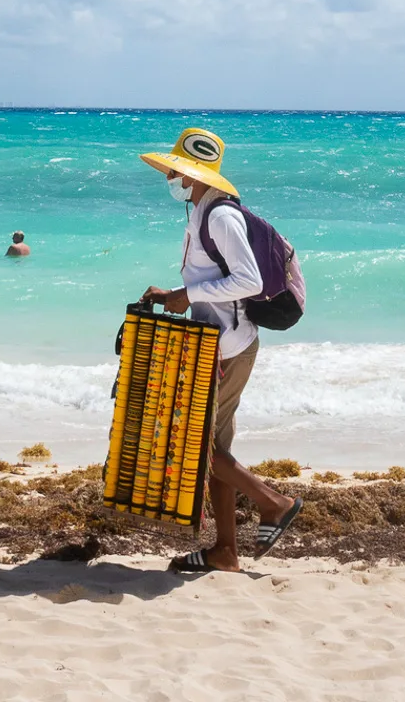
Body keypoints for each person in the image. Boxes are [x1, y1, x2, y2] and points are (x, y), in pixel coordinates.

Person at [139, 128, 302, 573]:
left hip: (227, 349)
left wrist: (188, 296)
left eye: (175, 169)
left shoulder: (220, 218)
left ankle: (275, 504)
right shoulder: (203, 211)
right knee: (214, 448)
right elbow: (214, 278)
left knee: (198, 448)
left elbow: (248, 281)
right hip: (217, 342)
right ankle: (225, 551)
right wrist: (175, 291)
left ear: (192, 174)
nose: (170, 175)